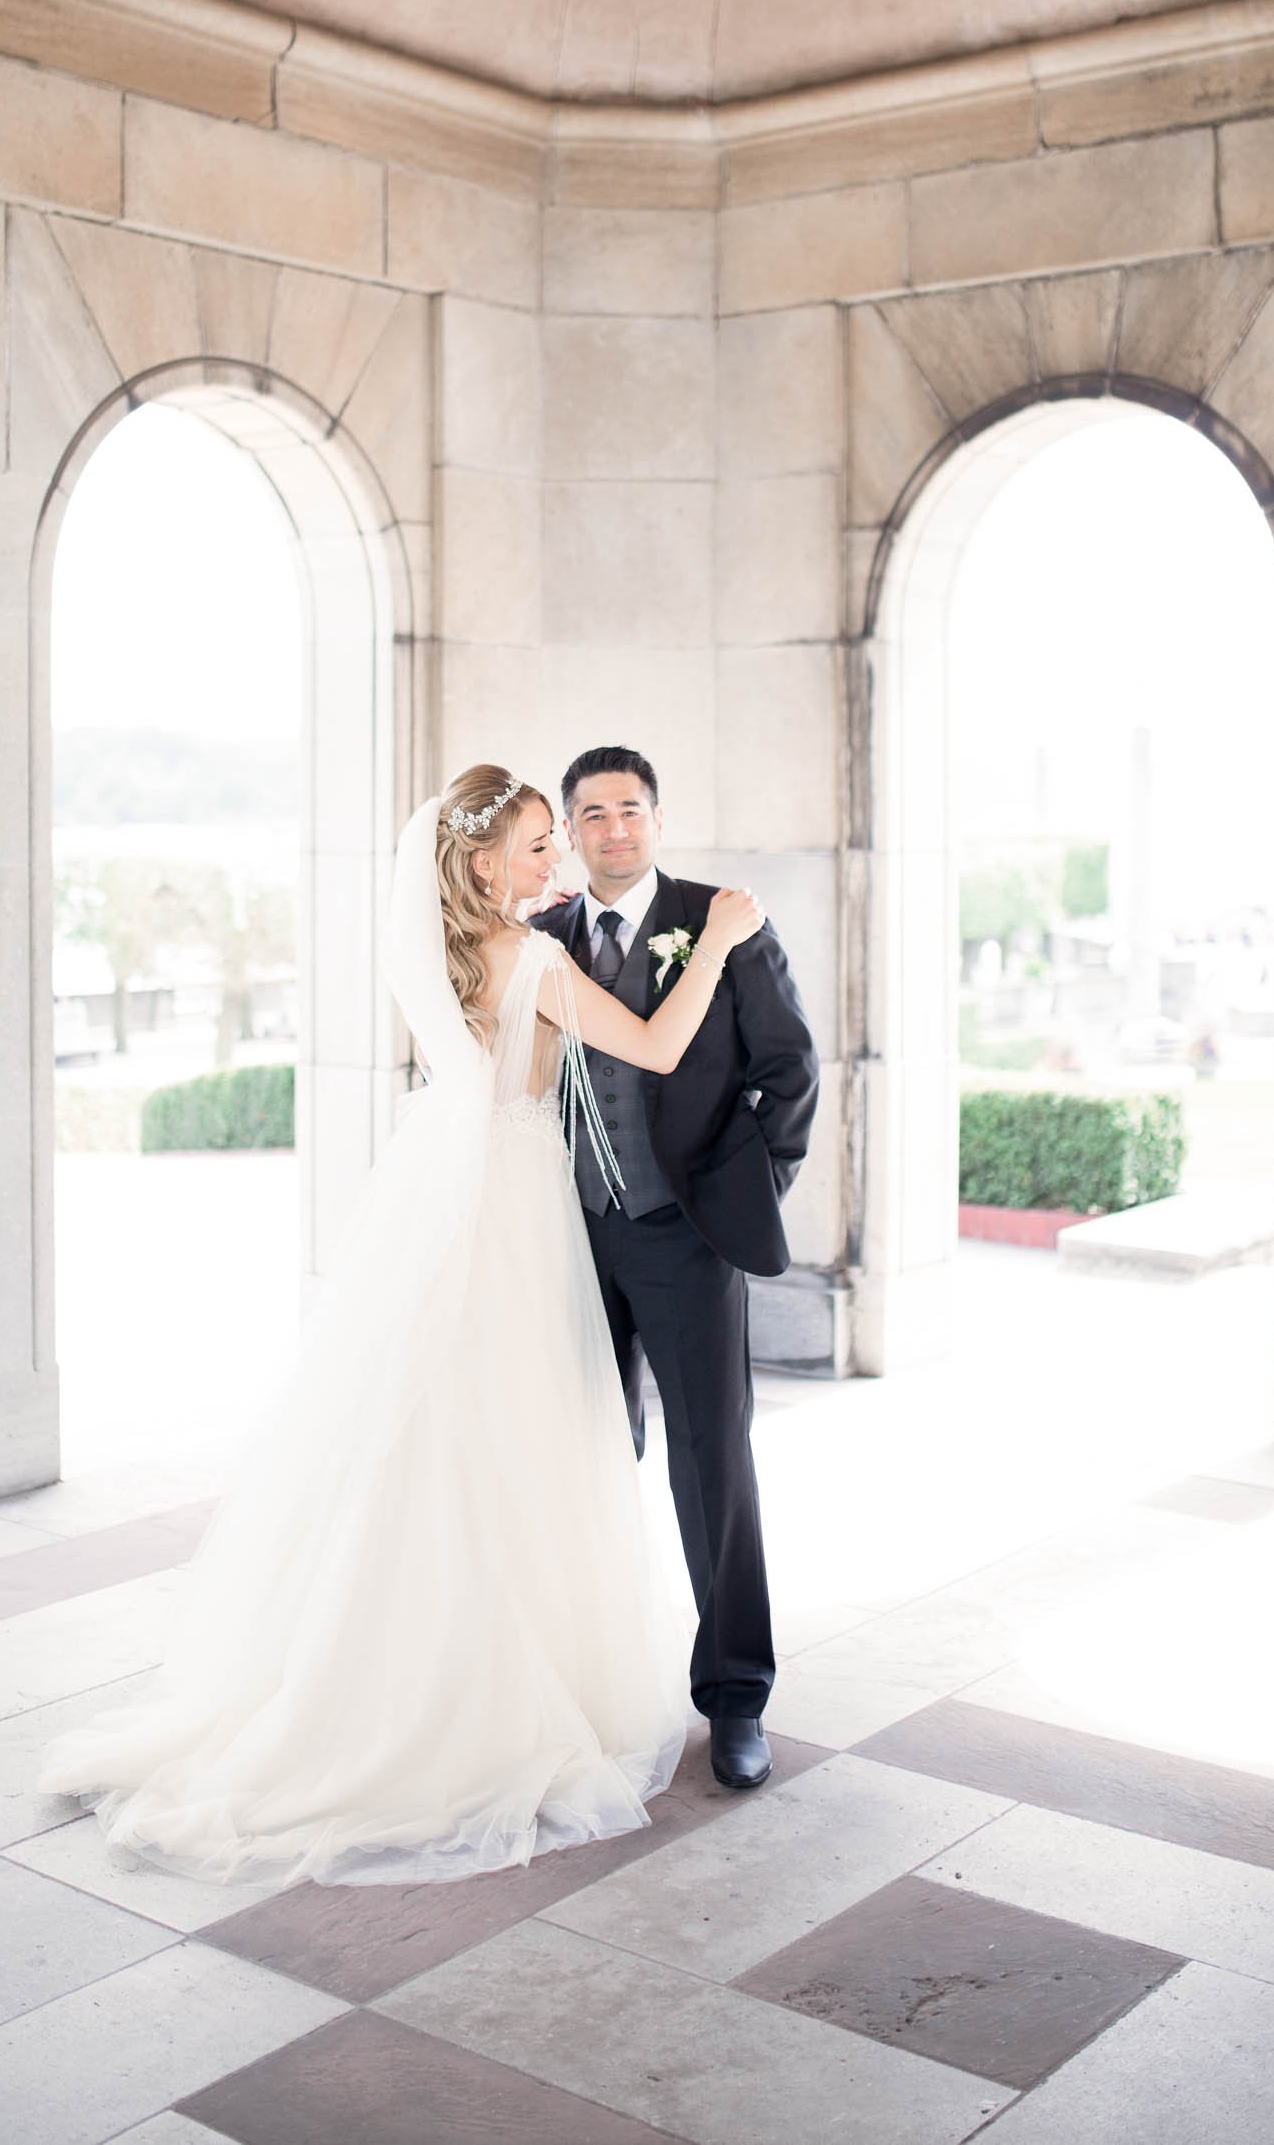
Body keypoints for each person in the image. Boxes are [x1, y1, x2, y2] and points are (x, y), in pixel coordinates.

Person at [35, 764, 765, 1888]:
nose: (557, 862)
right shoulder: (530, 955)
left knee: (433, 1438)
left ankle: (386, 1671)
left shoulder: (438, 955)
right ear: (482, 863)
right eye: (536, 846)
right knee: (522, 1446)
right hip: (522, 1200)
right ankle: (485, 1696)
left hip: (449, 1190)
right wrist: (714, 943)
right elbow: (659, 1049)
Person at [537, 746, 820, 1792]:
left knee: (713, 1466)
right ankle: (595, 1686)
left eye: (631, 809)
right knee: (579, 1458)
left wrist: (742, 1193)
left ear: (658, 819)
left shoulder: (721, 919)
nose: (615, 828)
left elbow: (788, 1071)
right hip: (566, 1235)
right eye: (593, 813)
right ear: (569, 831)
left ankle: (737, 1695)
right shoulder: (545, 936)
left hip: (681, 1232)